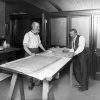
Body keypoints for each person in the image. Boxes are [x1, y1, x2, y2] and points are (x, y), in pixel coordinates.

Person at [23, 22, 46, 89]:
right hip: (29, 52)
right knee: (30, 69)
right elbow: (25, 46)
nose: (39, 28)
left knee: (37, 67)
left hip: (36, 51)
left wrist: (45, 50)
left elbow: (39, 44)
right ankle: (30, 82)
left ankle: (38, 81)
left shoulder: (37, 35)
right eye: (37, 27)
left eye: (39, 27)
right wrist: (30, 53)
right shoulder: (27, 34)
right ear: (33, 27)